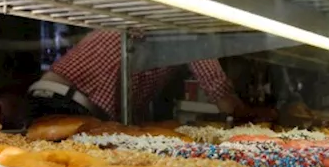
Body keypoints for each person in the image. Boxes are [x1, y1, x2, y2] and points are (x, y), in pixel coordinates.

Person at [24, 29, 249, 124]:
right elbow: (221, 93)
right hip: (67, 103)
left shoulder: (150, 21)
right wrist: (250, 115)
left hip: (50, 94)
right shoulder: (183, 26)